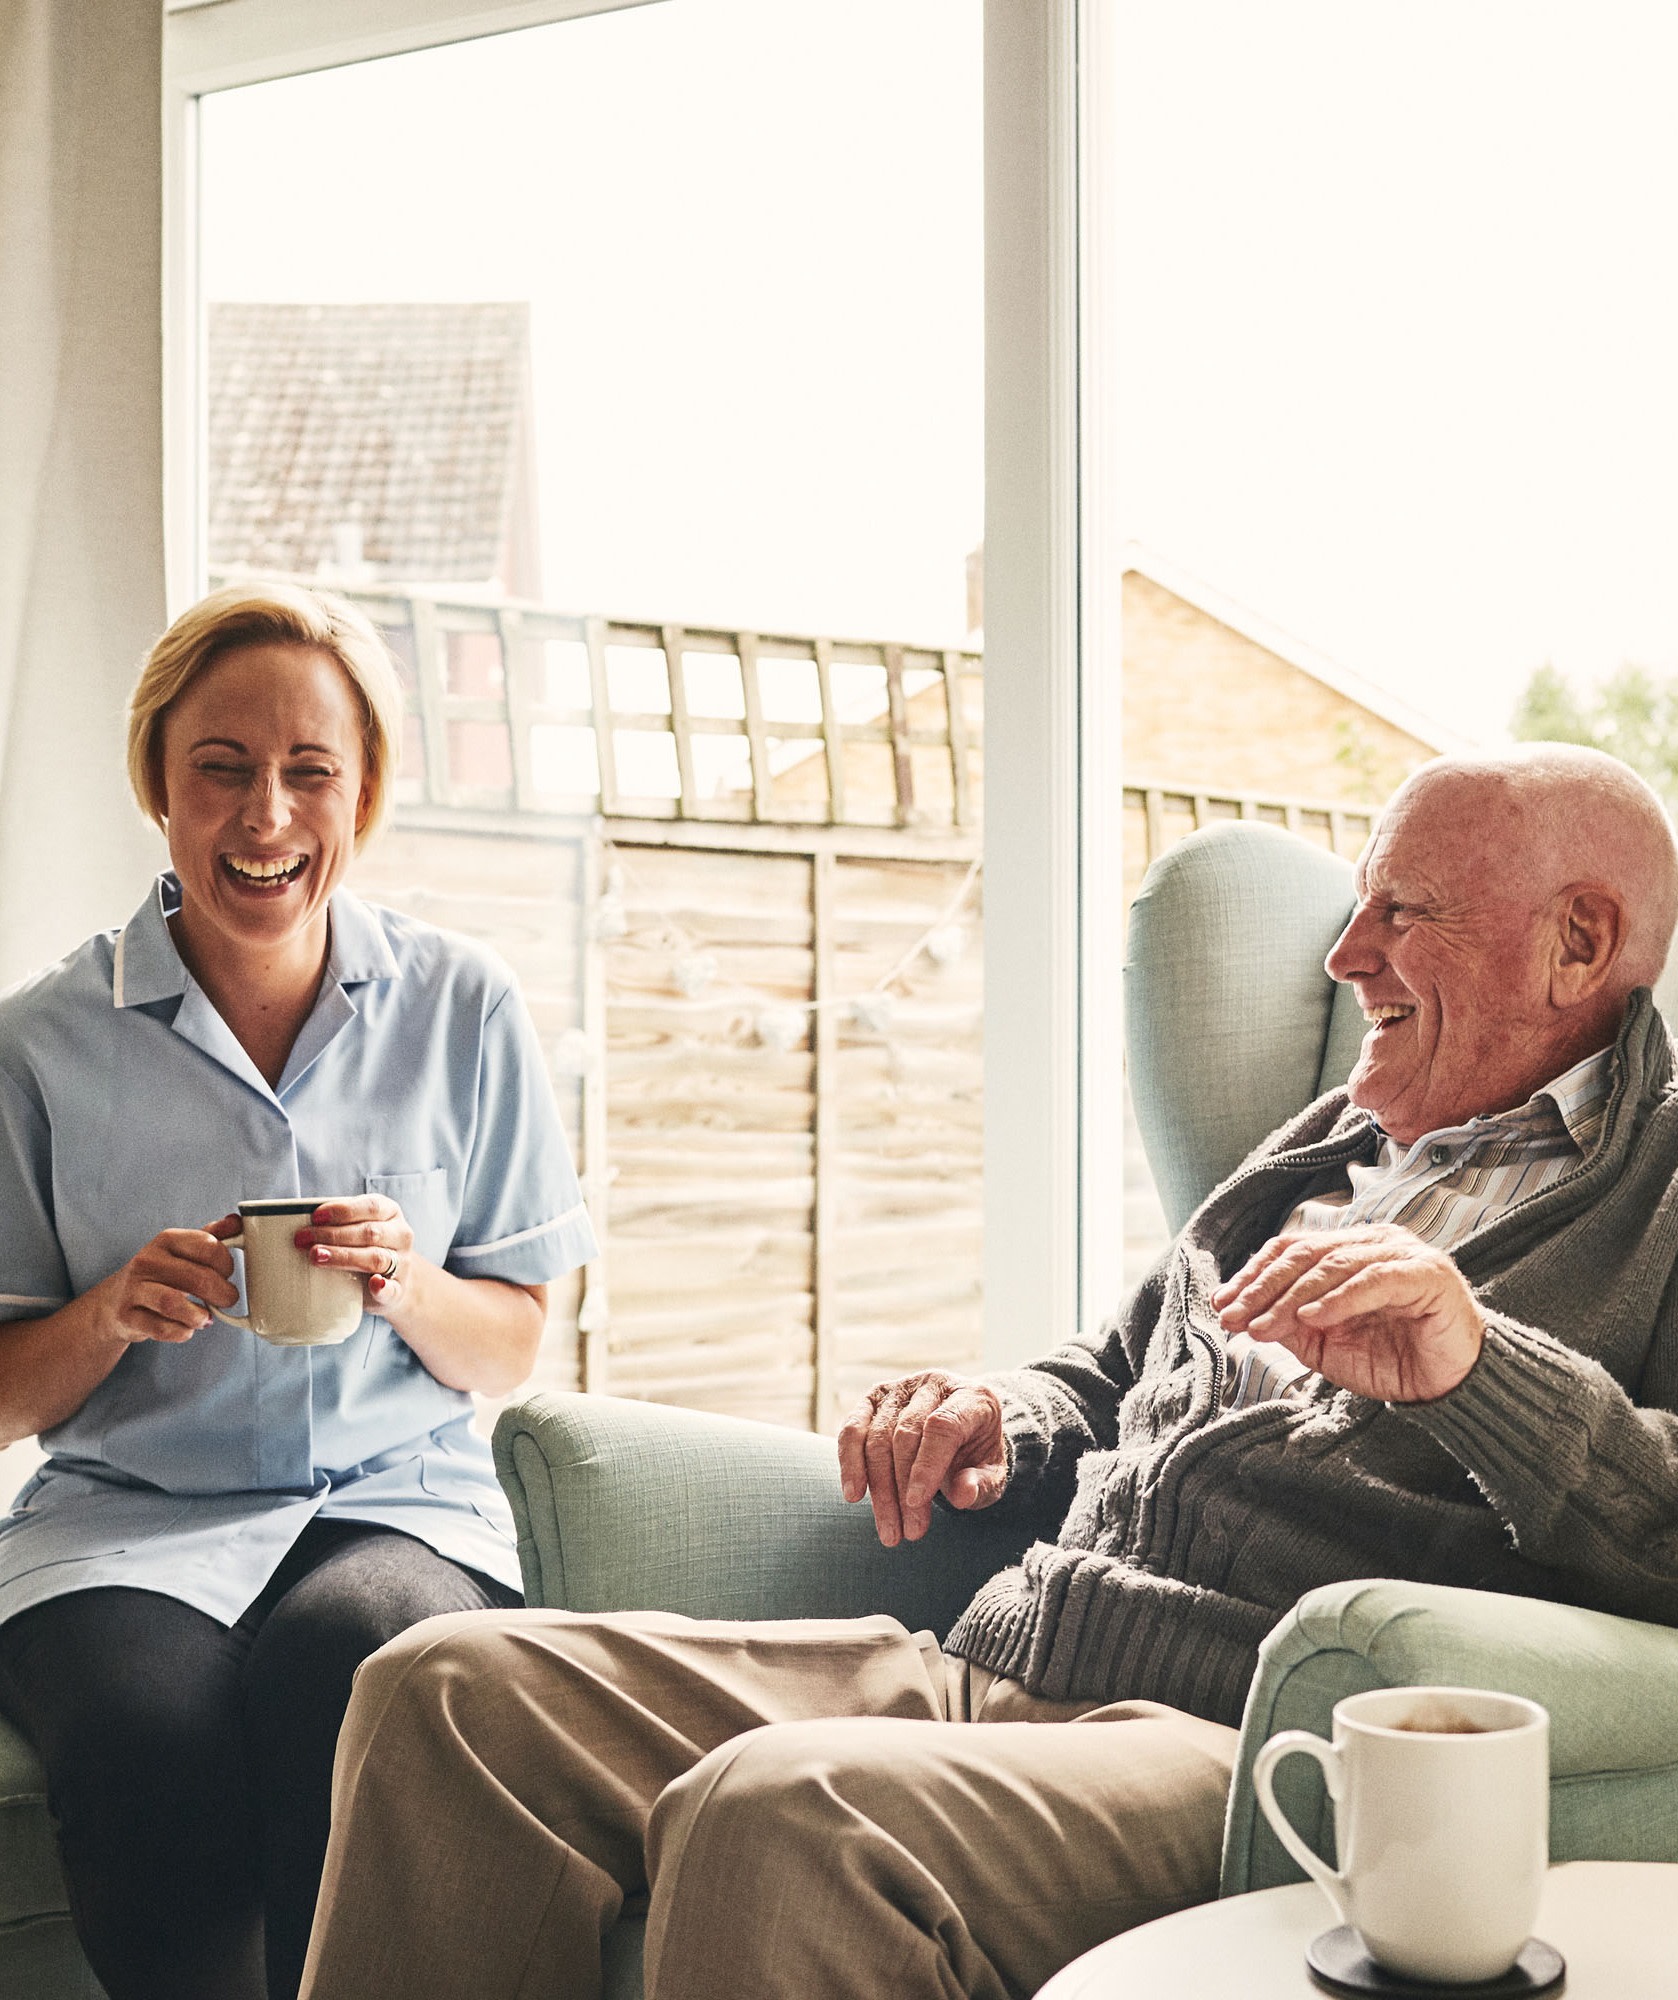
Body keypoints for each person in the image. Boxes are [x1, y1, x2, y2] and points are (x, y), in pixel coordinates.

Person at [299, 745, 1678, 2000]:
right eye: (1356, 905)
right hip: (1002, 1653)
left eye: (1401, 914)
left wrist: (1473, 1362)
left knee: (790, 1815)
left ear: (1577, 941)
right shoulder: (1334, 1139)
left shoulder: (1655, 1201)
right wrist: (1004, 1415)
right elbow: (1112, 1368)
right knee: (447, 1693)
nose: (1343, 956)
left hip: (1243, 1730)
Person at [0, 583, 597, 2000]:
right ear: (158, 783)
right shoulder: (41, 1046)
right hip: (122, 1527)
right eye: (222, 768)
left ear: (363, 793)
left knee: (362, 1673)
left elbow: (510, 1337)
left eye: (308, 771)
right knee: (145, 1735)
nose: (265, 815)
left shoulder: (466, 1007)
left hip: (395, 1503)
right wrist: (109, 1316)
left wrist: (402, 1284)